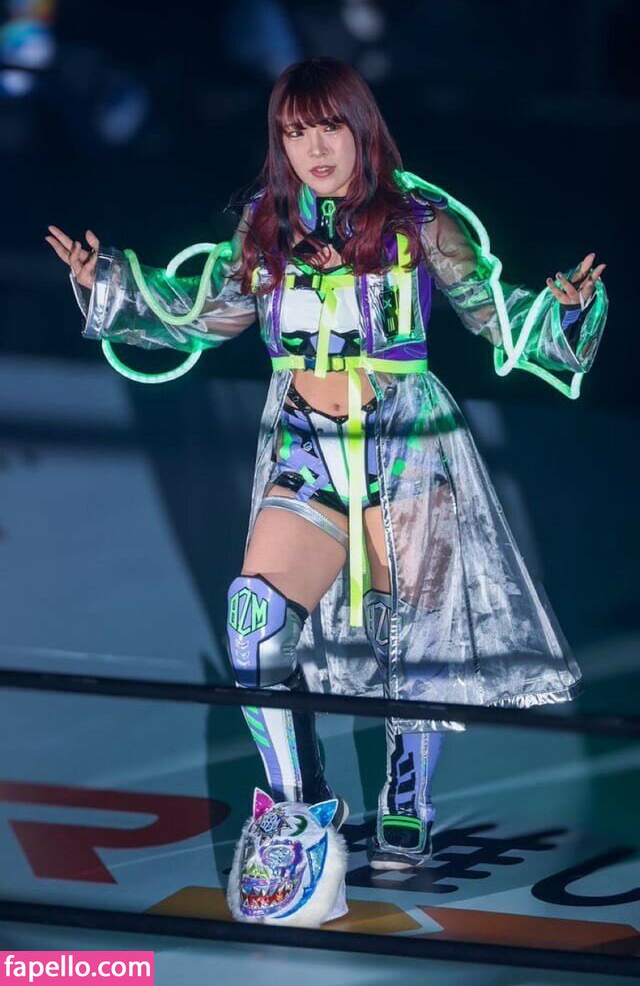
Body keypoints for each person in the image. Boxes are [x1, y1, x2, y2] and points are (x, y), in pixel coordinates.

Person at [46, 57, 608, 871]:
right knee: (255, 622)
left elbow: (493, 313)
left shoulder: (420, 218)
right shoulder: (265, 224)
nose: (313, 149)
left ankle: (407, 798)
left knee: (409, 634)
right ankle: (298, 805)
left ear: (360, 128)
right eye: (294, 132)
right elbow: (207, 317)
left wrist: (564, 312)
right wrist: (110, 285)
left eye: (328, 128)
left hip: (405, 444)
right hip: (305, 445)